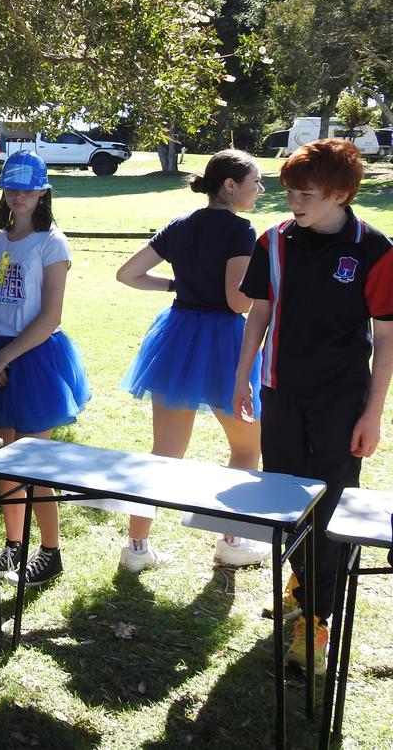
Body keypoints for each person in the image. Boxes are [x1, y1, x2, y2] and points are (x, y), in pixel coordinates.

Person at [233, 138, 393, 675]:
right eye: (290, 193)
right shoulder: (273, 240)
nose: (294, 203)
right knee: (287, 499)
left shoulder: (375, 249)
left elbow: (386, 337)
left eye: (307, 194)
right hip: (279, 391)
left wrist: (372, 414)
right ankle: (302, 588)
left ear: (341, 194)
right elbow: (259, 311)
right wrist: (243, 376)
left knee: (330, 507)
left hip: (342, 401)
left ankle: (317, 622)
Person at [116, 149, 269, 572]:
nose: (260, 189)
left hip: (179, 337)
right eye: (256, 181)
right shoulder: (240, 229)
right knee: (247, 446)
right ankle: (232, 541)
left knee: (163, 453)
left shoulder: (180, 224)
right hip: (224, 342)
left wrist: (176, 286)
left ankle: (136, 547)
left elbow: (127, 274)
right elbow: (237, 302)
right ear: (230, 186)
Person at [0, 151, 90, 587]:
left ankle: (50, 552)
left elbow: (50, 316)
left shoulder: (51, 242)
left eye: (27, 189)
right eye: (11, 188)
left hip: (34, 356)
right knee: (4, 459)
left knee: (35, 466)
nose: (18, 196)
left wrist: (5, 358)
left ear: (43, 192)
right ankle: (14, 546)